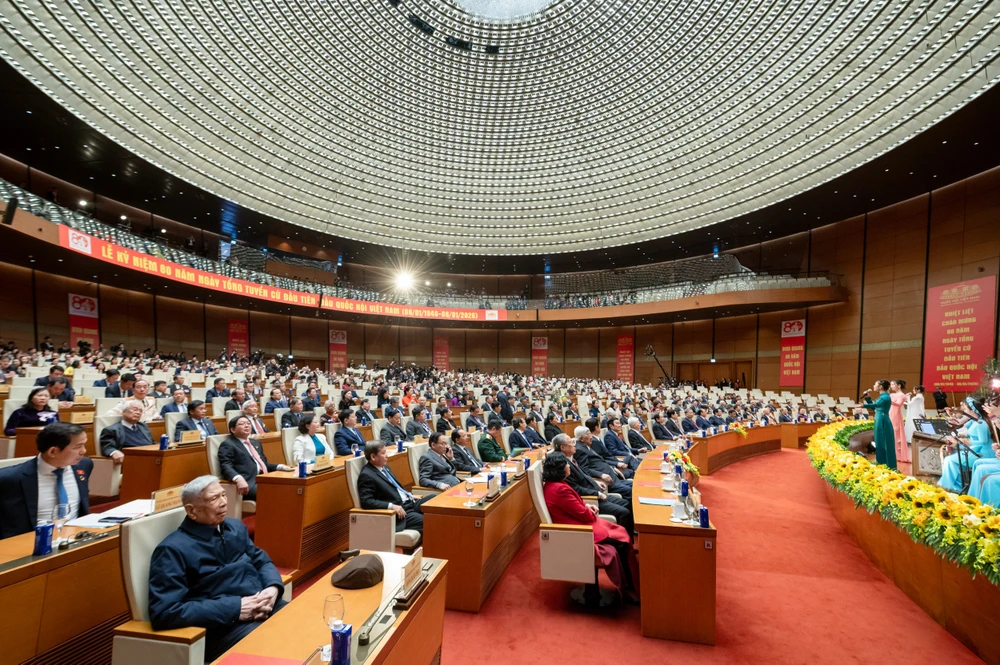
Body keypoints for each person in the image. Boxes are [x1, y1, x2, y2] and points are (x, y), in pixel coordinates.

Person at [148, 476, 287, 662]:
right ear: (191, 511)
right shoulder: (172, 550)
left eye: (223, 495)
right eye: (214, 498)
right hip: (225, 628)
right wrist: (236, 608)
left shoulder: (236, 527)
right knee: (282, 649)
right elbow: (165, 612)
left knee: (309, 625)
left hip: (265, 606)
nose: (223, 502)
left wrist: (273, 588)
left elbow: (262, 561)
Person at [541, 452, 638, 603]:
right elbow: (584, 515)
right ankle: (627, 588)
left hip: (577, 525)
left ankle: (630, 584)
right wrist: (589, 511)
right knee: (622, 542)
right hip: (578, 531)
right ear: (559, 469)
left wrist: (586, 505)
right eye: (566, 464)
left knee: (621, 534)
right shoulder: (559, 489)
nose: (568, 466)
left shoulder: (555, 484)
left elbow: (575, 503)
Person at [0, 422, 91, 539]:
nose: (84, 451)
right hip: (31, 543)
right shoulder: (9, 479)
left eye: (84, 445)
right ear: (53, 451)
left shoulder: (84, 465)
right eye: (78, 447)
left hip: (75, 537)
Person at [551, 435, 633, 533]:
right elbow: (576, 489)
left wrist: (596, 482)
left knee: (626, 503)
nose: (574, 445)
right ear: (563, 447)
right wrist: (597, 494)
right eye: (571, 442)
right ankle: (623, 537)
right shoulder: (562, 465)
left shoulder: (570, 460)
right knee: (624, 512)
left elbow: (584, 475)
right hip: (591, 498)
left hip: (595, 492)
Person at [357, 440, 434, 534]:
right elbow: (366, 501)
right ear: (373, 457)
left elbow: (395, 487)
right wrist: (391, 506)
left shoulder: (385, 468)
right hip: (400, 512)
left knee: (434, 500)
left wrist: (408, 494)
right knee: (429, 520)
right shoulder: (366, 475)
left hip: (409, 503)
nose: (387, 456)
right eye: (383, 453)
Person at [218, 416, 292, 500]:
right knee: (275, 493)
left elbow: (263, 464)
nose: (247, 426)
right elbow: (225, 466)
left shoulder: (255, 442)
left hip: (263, 478)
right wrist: (238, 478)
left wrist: (280, 466)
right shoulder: (228, 444)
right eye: (242, 424)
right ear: (233, 429)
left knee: (289, 487)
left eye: (248, 423)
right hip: (248, 482)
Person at [939, 397, 994, 492]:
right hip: (975, 449)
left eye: (965, 409)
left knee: (949, 460)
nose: (964, 411)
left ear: (972, 410)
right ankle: (955, 486)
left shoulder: (981, 424)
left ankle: (953, 488)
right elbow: (963, 427)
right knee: (952, 457)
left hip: (982, 453)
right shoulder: (974, 421)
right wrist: (958, 437)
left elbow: (983, 442)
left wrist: (967, 442)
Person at [574, 427, 632, 500]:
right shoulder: (580, 450)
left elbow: (600, 461)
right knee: (630, 490)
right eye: (589, 434)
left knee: (634, 484)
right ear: (582, 438)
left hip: (614, 478)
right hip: (606, 482)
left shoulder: (586, 446)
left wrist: (612, 467)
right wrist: (601, 475)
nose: (591, 437)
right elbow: (584, 469)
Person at [860, 380, 897, 470]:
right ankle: (881, 463)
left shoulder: (885, 397)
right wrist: (868, 399)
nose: (873, 386)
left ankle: (886, 465)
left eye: (875, 384)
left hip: (882, 420)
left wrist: (864, 406)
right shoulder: (882, 396)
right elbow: (875, 408)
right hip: (879, 419)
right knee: (879, 442)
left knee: (883, 442)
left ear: (880, 387)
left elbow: (876, 404)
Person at [889, 379, 910, 464]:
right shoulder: (891, 394)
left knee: (896, 433)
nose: (891, 386)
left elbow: (898, 405)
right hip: (890, 413)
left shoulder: (902, 395)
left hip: (896, 415)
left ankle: (897, 455)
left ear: (899, 385)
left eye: (893, 384)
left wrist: (890, 401)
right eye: (891, 385)